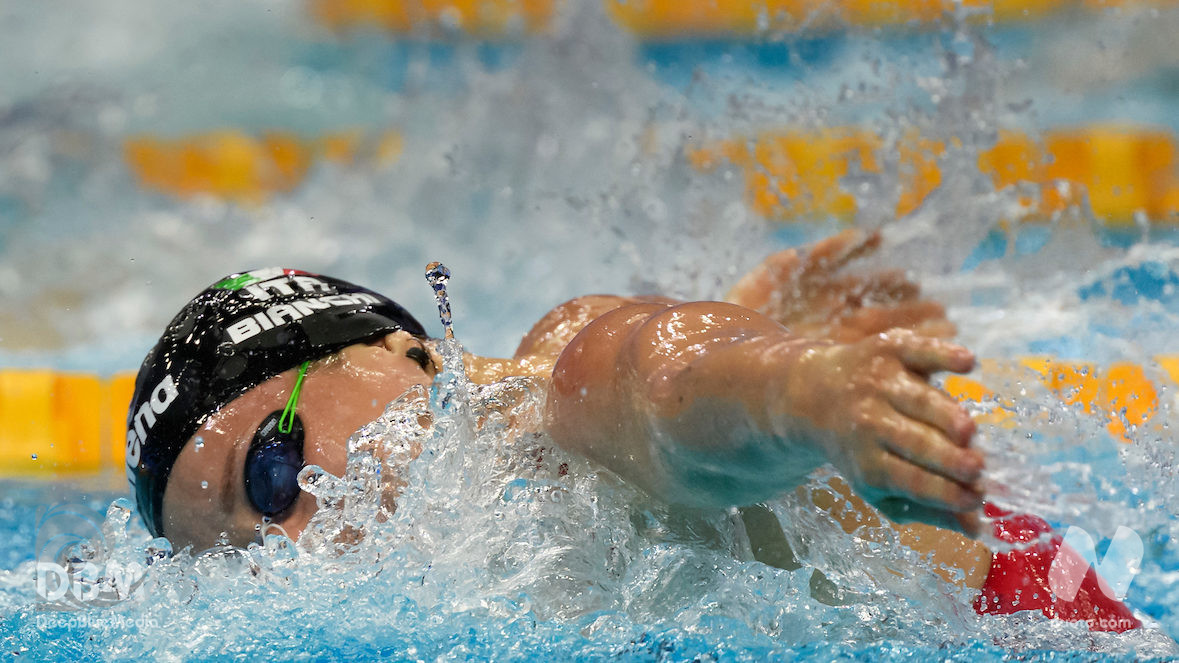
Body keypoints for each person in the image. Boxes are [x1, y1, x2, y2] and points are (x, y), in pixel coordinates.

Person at [124, 230, 1140, 632]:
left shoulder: (530, 408)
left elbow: (637, 369)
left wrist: (801, 393)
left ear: (401, 354)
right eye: (245, 562)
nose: (299, 540)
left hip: (1029, 623)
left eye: (269, 473)